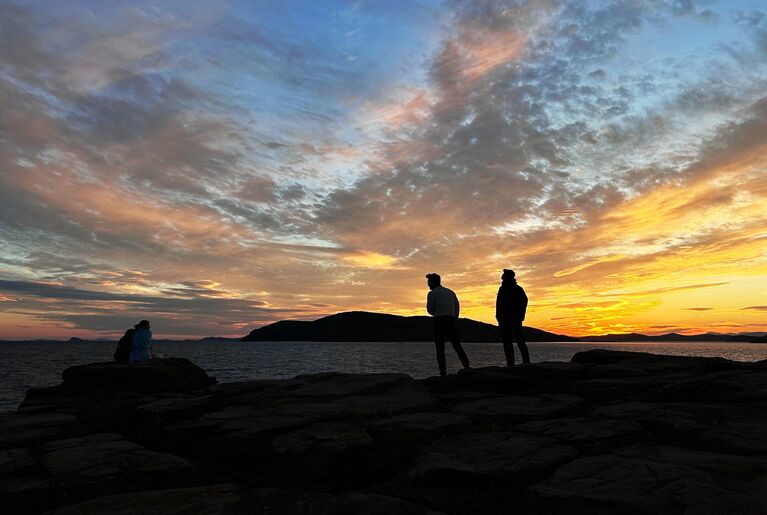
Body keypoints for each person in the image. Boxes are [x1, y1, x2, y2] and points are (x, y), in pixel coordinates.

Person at [426, 273, 471, 377]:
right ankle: (467, 366)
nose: (428, 284)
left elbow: (430, 310)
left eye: (429, 282)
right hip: (451, 320)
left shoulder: (432, 293)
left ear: (433, 282)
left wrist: (438, 312)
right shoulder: (450, 292)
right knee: (457, 345)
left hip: (438, 321)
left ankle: (443, 372)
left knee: (440, 348)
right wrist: (454, 317)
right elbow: (457, 307)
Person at [496, 269, 530, 366]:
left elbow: (524, 301)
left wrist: (520, 316)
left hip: (513, 319)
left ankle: (526, 362)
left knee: (519, 340)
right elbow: (499, 304)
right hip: (504, 319)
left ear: (509, 276)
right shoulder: (502, 288)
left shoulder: (517, 289)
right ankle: (511, 363)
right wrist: (498, 316)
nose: (502, 277)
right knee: (508, 342)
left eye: (504, 275)